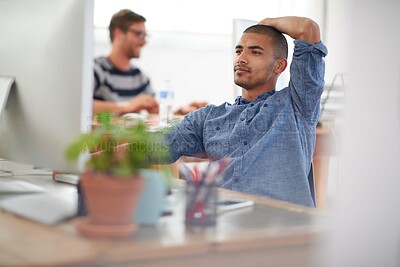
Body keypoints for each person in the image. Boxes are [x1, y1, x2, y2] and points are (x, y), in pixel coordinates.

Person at [164, 16, 328, 207]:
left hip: (283, 227)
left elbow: (307, 29)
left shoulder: (297, 104)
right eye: (239, 51)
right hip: (226, 223)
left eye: (255, 52)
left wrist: (267, 22)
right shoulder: (209, 117)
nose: (241, 59)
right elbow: (155, 147)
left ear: (279, 66)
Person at [93, 9, 206, 116]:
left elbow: (156, 113)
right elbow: (80, 104)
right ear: (118, 33)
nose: (144, 41)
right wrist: (127, 106)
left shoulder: (140, 77)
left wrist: (182, 112)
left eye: (145, 35)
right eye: (138, 34)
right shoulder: (96, 70)